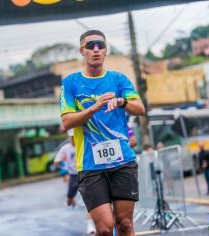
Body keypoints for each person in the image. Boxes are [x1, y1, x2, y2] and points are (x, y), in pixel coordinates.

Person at [60, 30, 145, 236]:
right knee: (105, 228)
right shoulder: (71, 83)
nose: (96, 49)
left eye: (100, 45)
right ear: (82, 51)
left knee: (124, 224)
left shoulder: (118, 79)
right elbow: (66, 122)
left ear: (106, 51)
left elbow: (140, 109)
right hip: (90, 165)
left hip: (122, 161)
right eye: (90, 46)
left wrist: (123, 102)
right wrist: (93, 108)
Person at [54, 129, 96, 234]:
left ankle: (90, 225)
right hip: (73, 175)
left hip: (86, 174)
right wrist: (63, 169)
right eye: (71, 137)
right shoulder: (66, 148)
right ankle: (73, 200)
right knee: (68, 201)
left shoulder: (84, 144)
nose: (73, 139)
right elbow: (56, 162)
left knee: (89, 202)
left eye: (74, 136)